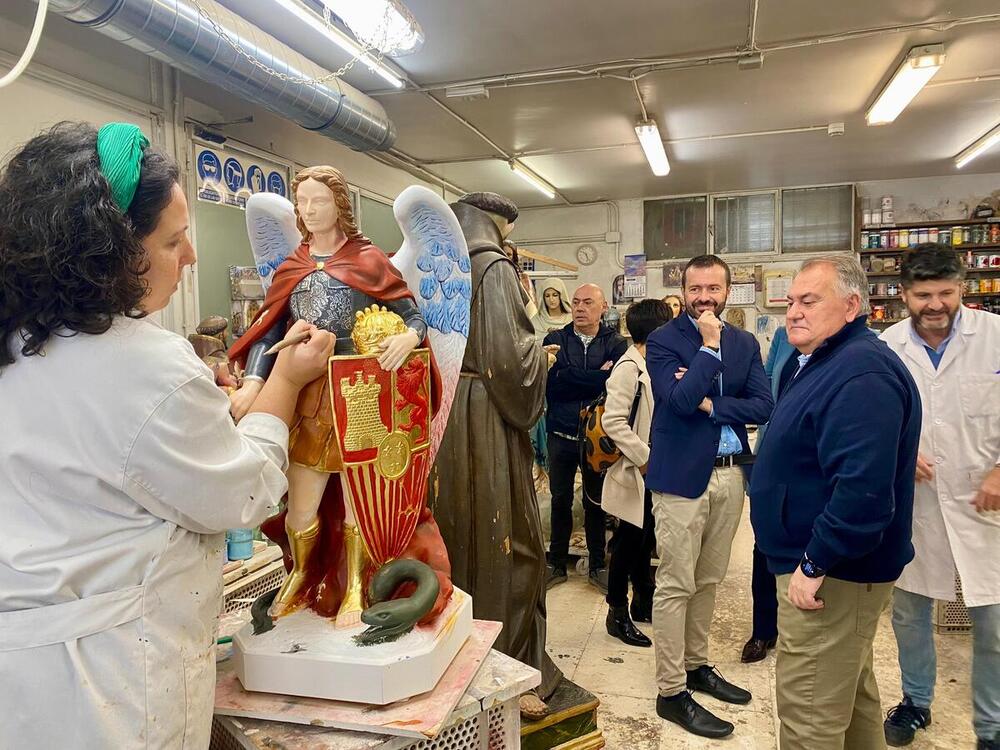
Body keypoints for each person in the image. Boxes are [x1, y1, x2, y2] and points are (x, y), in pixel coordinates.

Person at [0, 122, 334, 748]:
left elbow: (122, 454)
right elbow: (244, 494)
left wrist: (210, 411)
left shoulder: (18, 341)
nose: (191, 258)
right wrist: (285, 382)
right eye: (174, 240)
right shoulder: (146, 366)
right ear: (109, 253)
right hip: (111, 685)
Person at [226, 165, 451, 625]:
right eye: (303, 202)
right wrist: (253, 381)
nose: (310, 211)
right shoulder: (294, 266)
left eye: (319, 201)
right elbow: (270, 331)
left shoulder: (369, 260)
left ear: (339, 206)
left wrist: (409, 338)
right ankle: (303, 575)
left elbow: (413, 315)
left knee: (359, 502)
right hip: (309, 397)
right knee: (301, 504)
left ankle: (355, 586)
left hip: (362, 395)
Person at [750, 256, 921, 750]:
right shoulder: (821, 362)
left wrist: (813, 561)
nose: (794, 312)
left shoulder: (861, 373)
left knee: (809, 716)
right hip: (834, 571)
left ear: (851, 306)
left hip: (833, 576)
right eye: (790, 302)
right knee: (850, 698)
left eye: (809, 301)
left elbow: (863, 494)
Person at [428, 192, 561, 720]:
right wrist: (542, 356)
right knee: (510, 543)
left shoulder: (438, 263)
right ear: (497, 224)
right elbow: (510, 364)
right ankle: (506, 666)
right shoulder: (494, 268)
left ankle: (456, 654)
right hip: (486, 417)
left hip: (446, 413)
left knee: (456, 531)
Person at [645, 255, 773, 739]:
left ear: (727, 289)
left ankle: (697, 666)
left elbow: (764, 403)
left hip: (730, 475)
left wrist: (710, 402)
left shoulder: (747, 342)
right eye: (695, 288)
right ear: (683, 289)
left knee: (710, 579)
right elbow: (675, 402)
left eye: (712, 288)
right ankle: (671, 690)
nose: (704, 297)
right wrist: (710, 349)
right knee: (676, 583)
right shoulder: (663, 341)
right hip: (680, 478)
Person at [879, 244, 1000, 750]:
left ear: (962, 290)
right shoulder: (886, 346)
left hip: (985, 499)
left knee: (992, 622)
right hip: (917, 503)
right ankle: (915, 702)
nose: (935, 304)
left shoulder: (994, 338)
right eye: (923, 294)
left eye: (946, 293)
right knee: (910, 612)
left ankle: (991, 727)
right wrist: (901, 456)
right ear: (903, 294)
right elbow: (874, 423)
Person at [544, 283, 628, 592]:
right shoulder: (555, 339)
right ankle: (555, 563)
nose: (580, 308)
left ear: (603, 307)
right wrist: (597, 377)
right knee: (560, 500)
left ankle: (597, 564)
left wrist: (571, 376)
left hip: (597, 438)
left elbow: (615, 385)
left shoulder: (617, 344)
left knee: (595, 502)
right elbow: (552, 385)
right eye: (576, 302)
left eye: (588, 302)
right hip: (560, 432)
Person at [601, 299, 673, 648]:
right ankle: (616, 613)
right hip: (633, 468)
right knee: (628, 542)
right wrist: (644, 458)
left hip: (654, 466)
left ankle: (643, 601)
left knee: (645, 539)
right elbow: (612, 421)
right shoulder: (628, 367)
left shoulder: (653, 362)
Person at [741, 324, 797, 664]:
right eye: (793, 302)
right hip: (774, 451)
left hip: (817, 457)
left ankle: (800, 632)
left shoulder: (859, 347)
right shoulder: (783, 336)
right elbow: (763, 386)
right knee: (764, 545)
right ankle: (763, 630)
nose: (798, 311)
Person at [530, 278, 573, 479]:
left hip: (567, 378)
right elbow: (529, 347)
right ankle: (543, 468)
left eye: (555, 294)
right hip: (543, 377)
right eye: (547, 295)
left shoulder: (571, 320)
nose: (551, 299)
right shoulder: (536, 322)